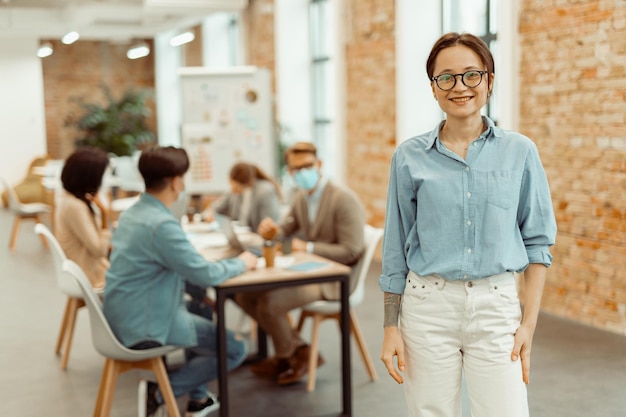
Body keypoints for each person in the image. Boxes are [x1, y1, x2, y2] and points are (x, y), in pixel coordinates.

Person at [379, 32, 557, 417]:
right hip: (427, 306)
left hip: (496, 307)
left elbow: (538, 245)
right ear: (434, 88)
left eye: (471, 75)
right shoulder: (408, 157)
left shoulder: (520, 151)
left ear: (489, 81)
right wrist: (390, 326)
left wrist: (528, 325)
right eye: (446, 77)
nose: (459, 87)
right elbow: (395, 249)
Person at [102, 146, 257, 417]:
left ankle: (198, 399)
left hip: (123, 313)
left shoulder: (133, 213)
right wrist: (242, 262)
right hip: (146, 324)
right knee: (235, 348)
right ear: (176, 181)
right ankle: (160, 392)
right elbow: (205, 274)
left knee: (200, 307)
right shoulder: (161, 225)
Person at [236, 141, 365, 385]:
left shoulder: (343, 199)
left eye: (307, 166)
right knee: (245, 296)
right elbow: (287, 227)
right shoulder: (301, 197)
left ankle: (289, 355)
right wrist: (273, 230)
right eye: (295, 169)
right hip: (309, 271)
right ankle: (298, 352)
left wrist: (307, 247)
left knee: (270, 303)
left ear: (319, 164)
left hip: (334, 280)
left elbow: (351, 251)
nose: (301, 172)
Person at [55, 147, 111, 289]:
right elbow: (99, 251)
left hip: (89, 268)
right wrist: (104, 214)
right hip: (90, 275)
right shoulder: (75, 207)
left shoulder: (72, 200)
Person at [203, 161, 282, 232]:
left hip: (258, 238)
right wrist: (210, 213)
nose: (233, 190)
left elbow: (269, 224)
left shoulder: (265, 192)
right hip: (243, 237)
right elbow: (218, 207)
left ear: (246, 183)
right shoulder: (234, 192)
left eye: (236, 187)